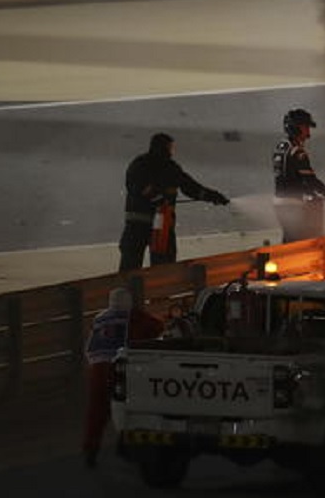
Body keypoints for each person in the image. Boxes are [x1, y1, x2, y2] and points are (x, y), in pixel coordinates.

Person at [118, 132, 230, 272]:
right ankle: (150, 291)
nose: (172, 151)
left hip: (151, 224)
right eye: (170, 148)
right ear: (163, 147)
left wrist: (213, 196)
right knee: (153, 265)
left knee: (144, 265)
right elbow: (138, 187)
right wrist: (158, 199)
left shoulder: (159, 166)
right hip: (147, 224)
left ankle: (135, 291)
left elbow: (191, 187)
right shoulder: (149, 166)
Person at [82, 287, 164, 468]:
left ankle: (91, 449)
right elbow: (158, 327)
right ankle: (126, 446)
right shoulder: (134, 317)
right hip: (118, 368)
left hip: (96, 369)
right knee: (127, 407)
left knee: (97, 411)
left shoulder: (100, 318)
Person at [272, 108, 325, 242]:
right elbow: (311, 181)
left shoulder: (281, 147)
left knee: (289, 242)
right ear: (296, 128)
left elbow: (290, 177)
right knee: (306, 242)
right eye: (305, 127)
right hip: (293, 206)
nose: (308, 133)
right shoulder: (297, 152)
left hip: (280, 204)